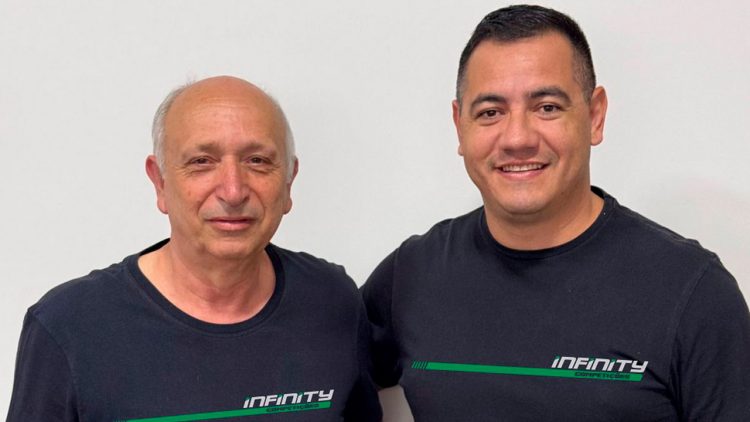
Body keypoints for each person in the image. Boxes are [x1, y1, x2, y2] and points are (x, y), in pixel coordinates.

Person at [361, 5, 750, 421]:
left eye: (547, 107)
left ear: (595, 116)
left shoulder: (693, 293)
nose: (517, 138)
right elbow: (318, 367)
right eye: (490, 112)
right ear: (460, 126)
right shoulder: (412, 276)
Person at [7, 76, 381, 421]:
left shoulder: (333, 301)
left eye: (257, 161)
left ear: (288, 181)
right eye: (202, 162)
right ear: (160, 182)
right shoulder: (69, 326)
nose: (233, 191)